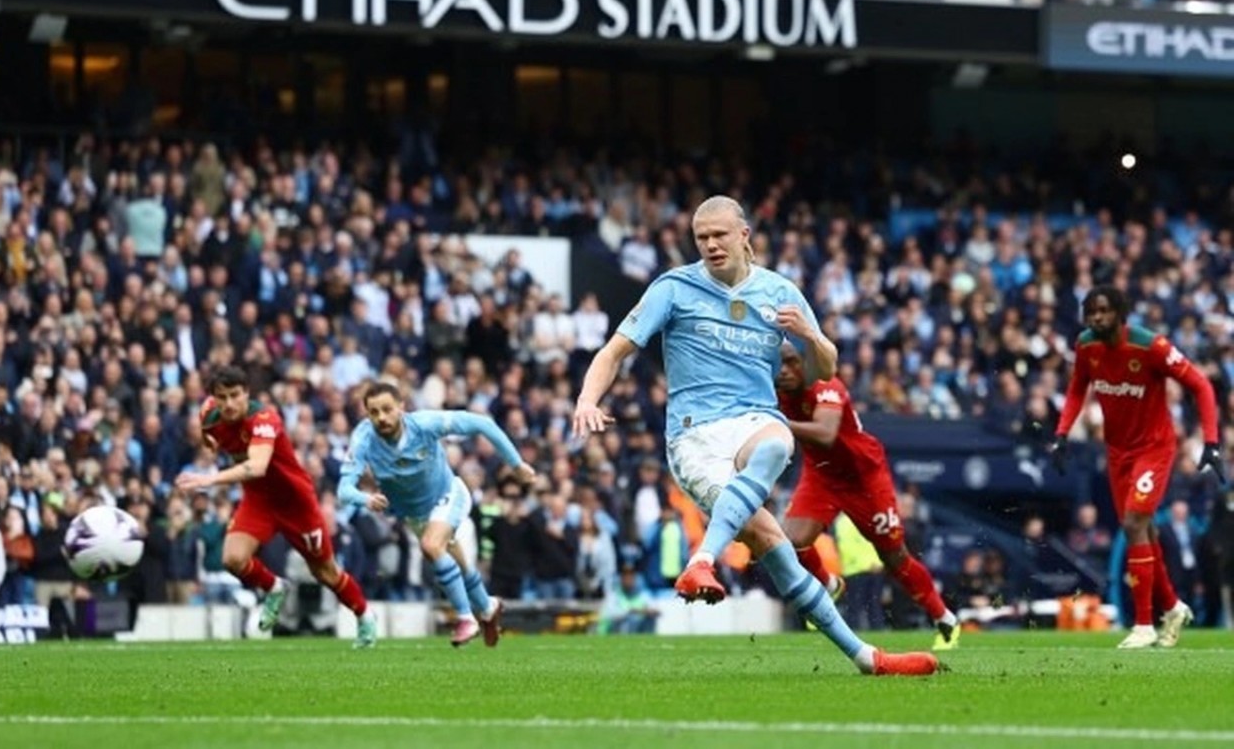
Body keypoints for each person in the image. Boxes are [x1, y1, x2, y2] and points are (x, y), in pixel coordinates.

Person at [573, 195, 936, 676]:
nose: (710, 245)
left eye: (719, 235)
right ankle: (864, 656)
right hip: (694, 435)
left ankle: (706, 562)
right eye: (701, 238)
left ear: (744, 235)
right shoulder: (673, 288)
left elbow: (823, 369)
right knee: (776, 546)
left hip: (754, 420)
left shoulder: (780, 291)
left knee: (777, 440)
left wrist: (810, 335)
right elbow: (615, 351)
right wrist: (586, 399)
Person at [1050, 285, 1223, 649]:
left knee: (1133, 522)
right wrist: (1062, 433)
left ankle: (1144, 624)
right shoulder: (1086, 345)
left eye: (1103, 311)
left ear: (1120, 313)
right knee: (1142, 532)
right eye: (1091, 312)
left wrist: (1211, 441)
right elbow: (1077, 388)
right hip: (1117, 453)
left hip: (1155, 449)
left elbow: (1201, 385)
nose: (1096, 318)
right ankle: (1173, 607)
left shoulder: (1151, 346)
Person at [177, 366, 378, 648]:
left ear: (247, 393)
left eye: (235, 395)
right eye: (222, 397)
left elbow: (257, 466)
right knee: (232, 559)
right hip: (258, 500)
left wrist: (210, 479)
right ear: (213, 398)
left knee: (325, 572)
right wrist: (209, 443)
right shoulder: (209, 416)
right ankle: (274, 587)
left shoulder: (264, 419)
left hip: (295, 502)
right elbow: (208, 434)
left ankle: (365, 615)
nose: (229, 403)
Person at [775, 346, 961, 650]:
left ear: (805, 365)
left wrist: (776, 421)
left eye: (791, 363)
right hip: (822, 476)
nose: (783, 370)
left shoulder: (826, 385)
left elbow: (825, 433)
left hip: (865, 479)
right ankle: (829, 585)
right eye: (778, 364)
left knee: (894, 558)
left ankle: (945, 619)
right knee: (790, 542)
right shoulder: (773, 390)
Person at [337, 381, 536, 648]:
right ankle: (487, 607)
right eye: (374, 412)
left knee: (432, 545)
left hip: (449, 493)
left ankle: (466, 619)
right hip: (416, 514)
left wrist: (516, 464)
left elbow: (482, 424)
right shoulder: (363, 439)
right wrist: (365, 498)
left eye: (387, 409)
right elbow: (344, 490)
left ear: (401, 408)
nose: (381, 418)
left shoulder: (425, 424)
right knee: (457, 564)